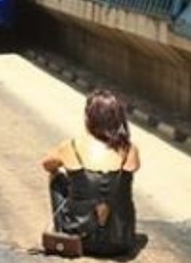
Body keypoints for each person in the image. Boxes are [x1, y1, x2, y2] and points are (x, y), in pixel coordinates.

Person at [41, 89, 139, 257]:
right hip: (121, 242)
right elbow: (131, 170)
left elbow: (47, 165)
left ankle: (65, 227)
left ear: (88, 118)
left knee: (57, 177)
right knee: (119, 187)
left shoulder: (70, 146)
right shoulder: (130, 149)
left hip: (79, 241)